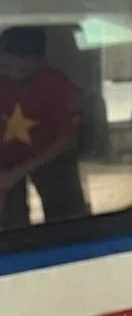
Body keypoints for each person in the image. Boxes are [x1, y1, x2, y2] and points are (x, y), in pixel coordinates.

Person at [0, 26, 85, 223]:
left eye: (21, 69)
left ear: (38, 62)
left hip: (50, 157)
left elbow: (68, 140)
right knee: (11, 221)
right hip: (6, 158)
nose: (11, 74)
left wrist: (19, 172)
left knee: (67, 218)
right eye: (3, 67)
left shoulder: (56, 85)